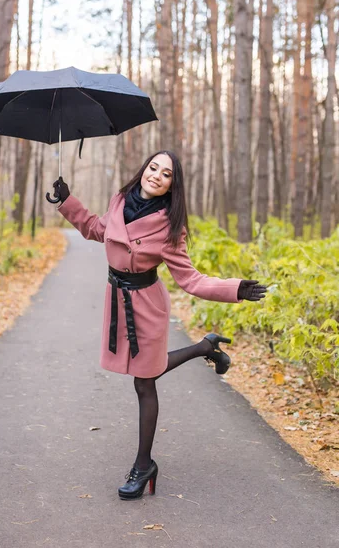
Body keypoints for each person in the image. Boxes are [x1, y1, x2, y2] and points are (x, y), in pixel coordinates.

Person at [53, 150, 266, 501]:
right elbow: (95, 229)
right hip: (119, 302)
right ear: (143, 170)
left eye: (166, 174)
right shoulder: (120, 200)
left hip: (147, 305)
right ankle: (204, 347)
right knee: (146, 371)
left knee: (144, 381)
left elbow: (191, 279)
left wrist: (235, 288)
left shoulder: (170, 225)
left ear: (172, 185)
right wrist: (67, 201)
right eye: (153, 168)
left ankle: (143, 465)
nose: (156, 176)